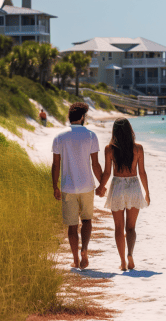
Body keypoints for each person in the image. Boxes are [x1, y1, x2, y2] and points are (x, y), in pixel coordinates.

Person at [51, 102, 105, 269]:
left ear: (70, 116)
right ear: (82, 117)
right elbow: (95, 165)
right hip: (87, 186)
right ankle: (85, 250)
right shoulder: (90, 136)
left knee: (72, 225)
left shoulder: (59, 136)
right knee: (87, 220)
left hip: (68, 187)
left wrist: (55, 186)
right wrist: (102, 184)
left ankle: (75, 259)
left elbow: (56, 165)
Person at [96, 118, 150, 271]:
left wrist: (101, 187)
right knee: (131, 228)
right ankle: (130, 254)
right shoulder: (138, 148)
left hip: (118, 186)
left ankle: (123, 262)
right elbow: (142, 172)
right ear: (130, 130)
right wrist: (147, 192)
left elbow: (107, 173)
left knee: (119, 228)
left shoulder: (109, 149)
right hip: (133, 186)